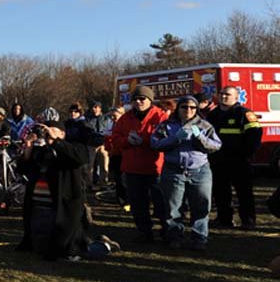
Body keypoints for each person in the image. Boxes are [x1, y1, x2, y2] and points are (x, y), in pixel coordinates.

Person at [16, 118, 111, 261]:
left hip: (63, 208)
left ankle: (102, 245)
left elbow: (79, 158)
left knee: (67, 248)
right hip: (39, 208)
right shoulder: (42, 151)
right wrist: (28, 145)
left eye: (52, 131)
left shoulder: (74, 148)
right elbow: (23, 168)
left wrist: (56, 141)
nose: (48, 134)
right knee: (40, 245)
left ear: (62, 134)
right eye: (46, 131)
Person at [151, 95, 221, 250]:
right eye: (184, 107)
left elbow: (216, 146)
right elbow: (155, 143)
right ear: (178, 108)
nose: (188, 110)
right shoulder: (166, 125)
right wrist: (175, 138)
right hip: (174, 169)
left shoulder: (204, 125)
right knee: (173, 206)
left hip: (199, 170)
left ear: (197, 109)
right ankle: (175, 236)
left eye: (192, 107)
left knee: (201, 205)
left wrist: (200, 138)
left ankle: (199, 237)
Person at [108, 86, 168, 242]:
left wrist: (146, 141)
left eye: (142, 99)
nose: (139, 102)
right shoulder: (125, 118)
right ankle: (144, 231)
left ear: (150, 100)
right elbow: (114, 138)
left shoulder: (160, 116)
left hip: (156, 168)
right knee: (137, 203)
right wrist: (127, 141)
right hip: (132, 167)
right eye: (135, 99)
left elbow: (167, 139)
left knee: (161, 202)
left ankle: (167, 230)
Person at [206, 85, 262, 230]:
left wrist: (246, 156)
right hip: (218, 161)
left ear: (236, 98)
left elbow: (255, 137)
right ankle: (224, 219)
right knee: (220, 192)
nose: (224, 96)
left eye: (228, 95)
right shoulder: (213, 115)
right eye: (222, 94)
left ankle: (248, 221)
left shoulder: (245, 114)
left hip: (239, 161)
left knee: (244, 193)